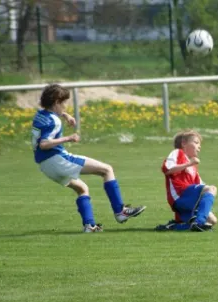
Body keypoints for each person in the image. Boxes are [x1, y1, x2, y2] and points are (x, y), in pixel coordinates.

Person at [31, 84, 146, 232]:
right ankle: (120, 211)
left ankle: (89, 226)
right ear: (56, 102)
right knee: (106, 170)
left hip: (45, 166)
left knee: (82, 188)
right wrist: (68, 138)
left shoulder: (40, 115)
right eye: (64, 102)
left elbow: (47, 124)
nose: (66, 106)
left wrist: (65, 115)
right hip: (57, 159)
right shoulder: (54, 121)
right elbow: (44, 144)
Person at [156, 130, 217, 232]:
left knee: (212, 221)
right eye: (196, 142)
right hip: (180, 195)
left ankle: (174, 226)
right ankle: (199, 222)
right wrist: (189, 164)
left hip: (188, 199)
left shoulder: (192, 166)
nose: (199, 147)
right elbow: (167, 169)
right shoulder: (178, 153)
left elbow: (200, 185)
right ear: (184, 143)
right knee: (212, 188)